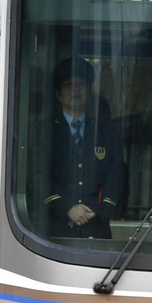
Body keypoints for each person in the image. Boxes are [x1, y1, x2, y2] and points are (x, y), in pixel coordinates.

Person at [38, 56, 126, 238]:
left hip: (97, 228)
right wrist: (67, 209)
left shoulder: (106, 132)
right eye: (69, 85)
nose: (76, 89)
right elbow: (37, 178)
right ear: (58, 94)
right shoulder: (44, 131)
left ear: (90, 91)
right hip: (55, 233)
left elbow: (116, 175)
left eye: (81, 84)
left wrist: (97, 210)